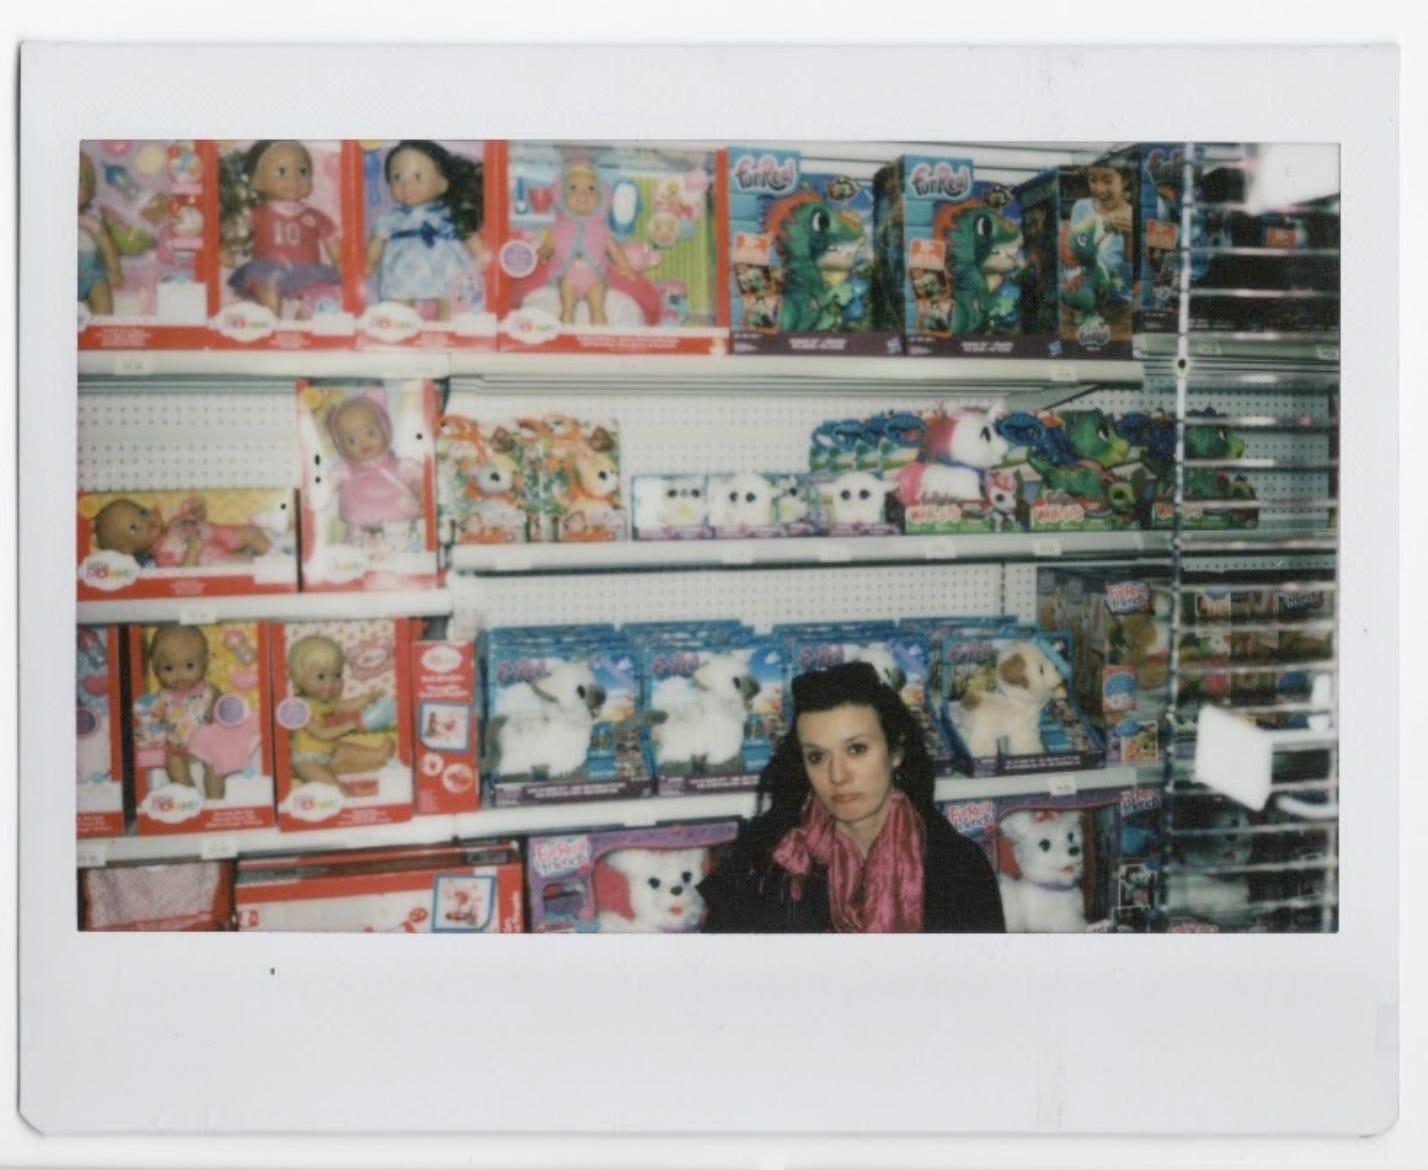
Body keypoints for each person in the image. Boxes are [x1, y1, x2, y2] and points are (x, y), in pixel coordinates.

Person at [699, 661, 1005, 933]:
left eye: (856, 749)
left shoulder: (958, 868)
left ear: (895, 752)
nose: (837, 775)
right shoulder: (767, 863)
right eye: (817, 756)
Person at [365, 139, 485, 321]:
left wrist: (483, 261)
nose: (406, 185)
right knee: (397, 305)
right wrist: (368, 264)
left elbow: (472, 239)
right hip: (404, 270)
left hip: (446, 268)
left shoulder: (451, 213)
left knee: (454, 302)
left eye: (417, 176)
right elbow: (376, 244)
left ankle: (447, 328)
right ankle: (400, 325)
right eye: (397, 177)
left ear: (443, 183)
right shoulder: (392, 218)